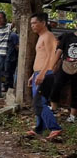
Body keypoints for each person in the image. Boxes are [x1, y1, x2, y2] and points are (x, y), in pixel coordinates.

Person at [27, 12, 62, 140]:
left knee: (39, 102)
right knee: (38, 102)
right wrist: (33, 74)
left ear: (43, 23)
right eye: (31, 23)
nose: (33, 26)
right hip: (39, 73)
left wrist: (42, 73)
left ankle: (55, 127)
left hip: (46, 73)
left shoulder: (48, 36)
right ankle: (39, 128)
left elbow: (51, 56)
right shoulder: (40, 37)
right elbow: (40, 57)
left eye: (35, 23)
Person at [50, 28, 77, 123]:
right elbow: (59, 51)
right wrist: (52, 66)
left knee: (76, 92)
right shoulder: (67, 36)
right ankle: (53, 110)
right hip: (65, 65)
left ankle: (72, 116)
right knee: (56, 85)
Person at [4, 25, 19, 91]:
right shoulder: (3, 35)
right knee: (6, 72)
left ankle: (8, 87)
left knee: (9, 73)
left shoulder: (13, 35)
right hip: (5, 56)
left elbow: (17, 46)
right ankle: (7, 86)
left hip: (11, 57)